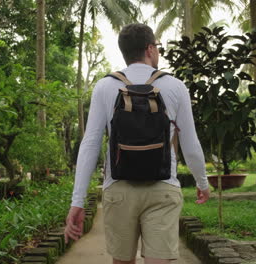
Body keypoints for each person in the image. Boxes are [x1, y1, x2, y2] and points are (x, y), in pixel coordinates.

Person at [64, 23, 210, 264]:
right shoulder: (175, 86)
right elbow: (190, 142)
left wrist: (77, 201)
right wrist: (202, 182)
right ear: (150, 49)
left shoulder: (105, 87)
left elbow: (90, 145)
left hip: (118, 189)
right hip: (162, 188)